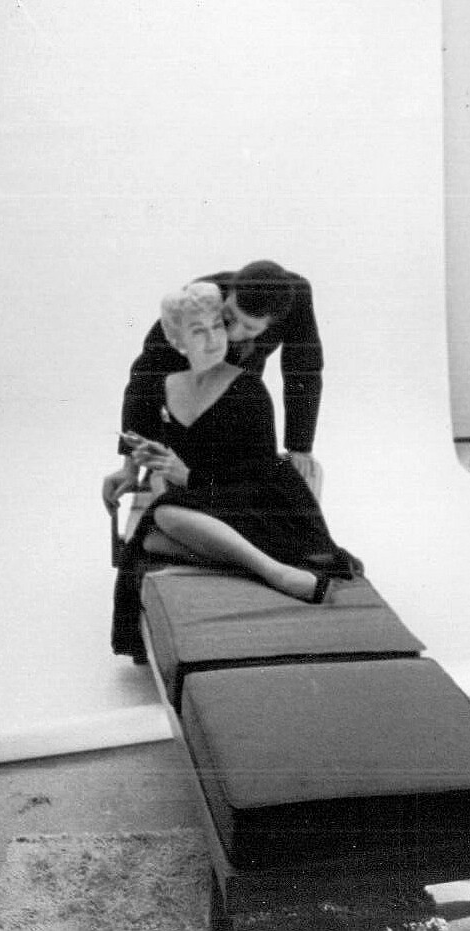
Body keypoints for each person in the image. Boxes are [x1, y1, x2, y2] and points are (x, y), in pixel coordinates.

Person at [107, 281, 360, 660]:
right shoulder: (165, 387)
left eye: (217, 327)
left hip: (262, 503)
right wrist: (143, 464)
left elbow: (259, 479)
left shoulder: (249, 391)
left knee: (164, 517)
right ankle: (239, 555)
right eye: (199, 331)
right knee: (151, 539)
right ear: (177, 342)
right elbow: (165, 435)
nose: (214, 340)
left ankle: (275, 571)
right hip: (214, 502)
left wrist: (187, 477)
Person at [102, 260, 322, 511]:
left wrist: (299, 447)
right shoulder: (198, 303)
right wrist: (130, 467)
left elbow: (303, 372)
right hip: (190, 408)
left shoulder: (297, 299)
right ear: (229, 294)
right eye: (229, 317)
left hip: (238, 404)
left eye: (249, 327)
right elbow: (144, 380)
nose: (234, 333)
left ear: (273, 324)